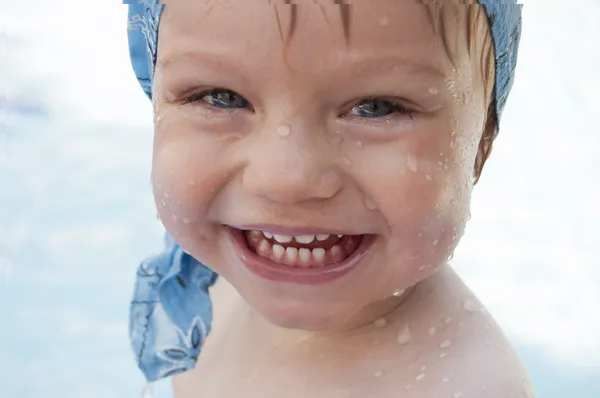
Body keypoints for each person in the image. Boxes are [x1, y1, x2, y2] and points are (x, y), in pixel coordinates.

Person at [126, 1, 534, 397]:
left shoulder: (467, 387)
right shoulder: (204, 280)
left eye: (375, 108)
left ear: (481, 141)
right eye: (221, 97)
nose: (286, 179)